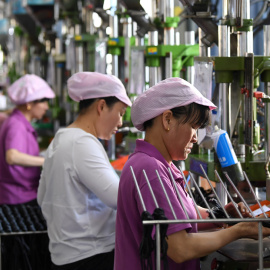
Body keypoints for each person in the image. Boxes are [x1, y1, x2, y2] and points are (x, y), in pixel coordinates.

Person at [114, 77, 270, 270]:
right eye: (194, 127)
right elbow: (179, 248)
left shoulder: (161, 165)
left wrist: (221, 215)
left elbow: (181, 217)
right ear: (167, 119)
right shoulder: (150, 169)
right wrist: (239, 230)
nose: (196, 138)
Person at [37, 71, 132, 270]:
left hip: (64, 254)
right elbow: (119, 197)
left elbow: (42, 196)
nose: (121, 122)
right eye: (120, 113)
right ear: (102, 106)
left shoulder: (62, 137)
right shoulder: (82, 143)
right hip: (90, 256)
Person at [0, 74, 55, 205]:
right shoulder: (17, 125)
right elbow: (12, 156)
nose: (46, 107)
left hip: (18, 195)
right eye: (43, 101)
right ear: (29, 104)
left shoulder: (17, 120)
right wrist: (48, 160)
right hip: (17, 198)